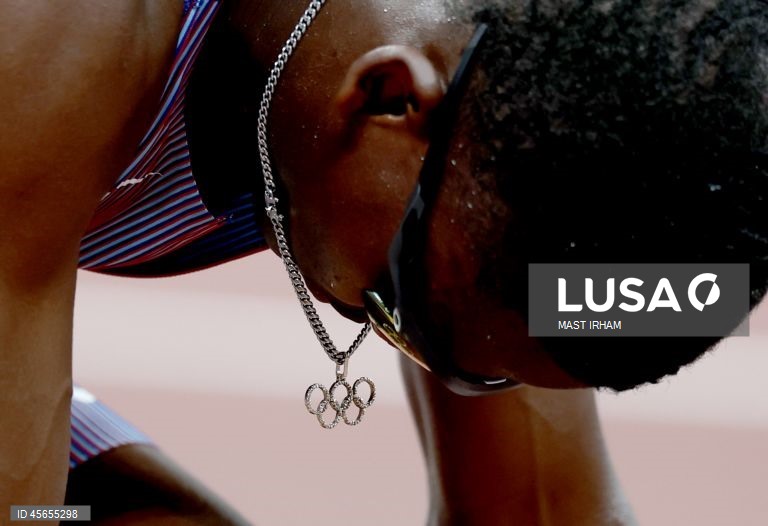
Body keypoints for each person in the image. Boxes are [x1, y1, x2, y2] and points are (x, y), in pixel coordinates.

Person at [1, 0, 766, 522]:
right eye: (406, 311)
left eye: (485, 372)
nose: (420, 358)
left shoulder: (511, 116)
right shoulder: (51, 44)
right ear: (390, 97)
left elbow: (545, 512)